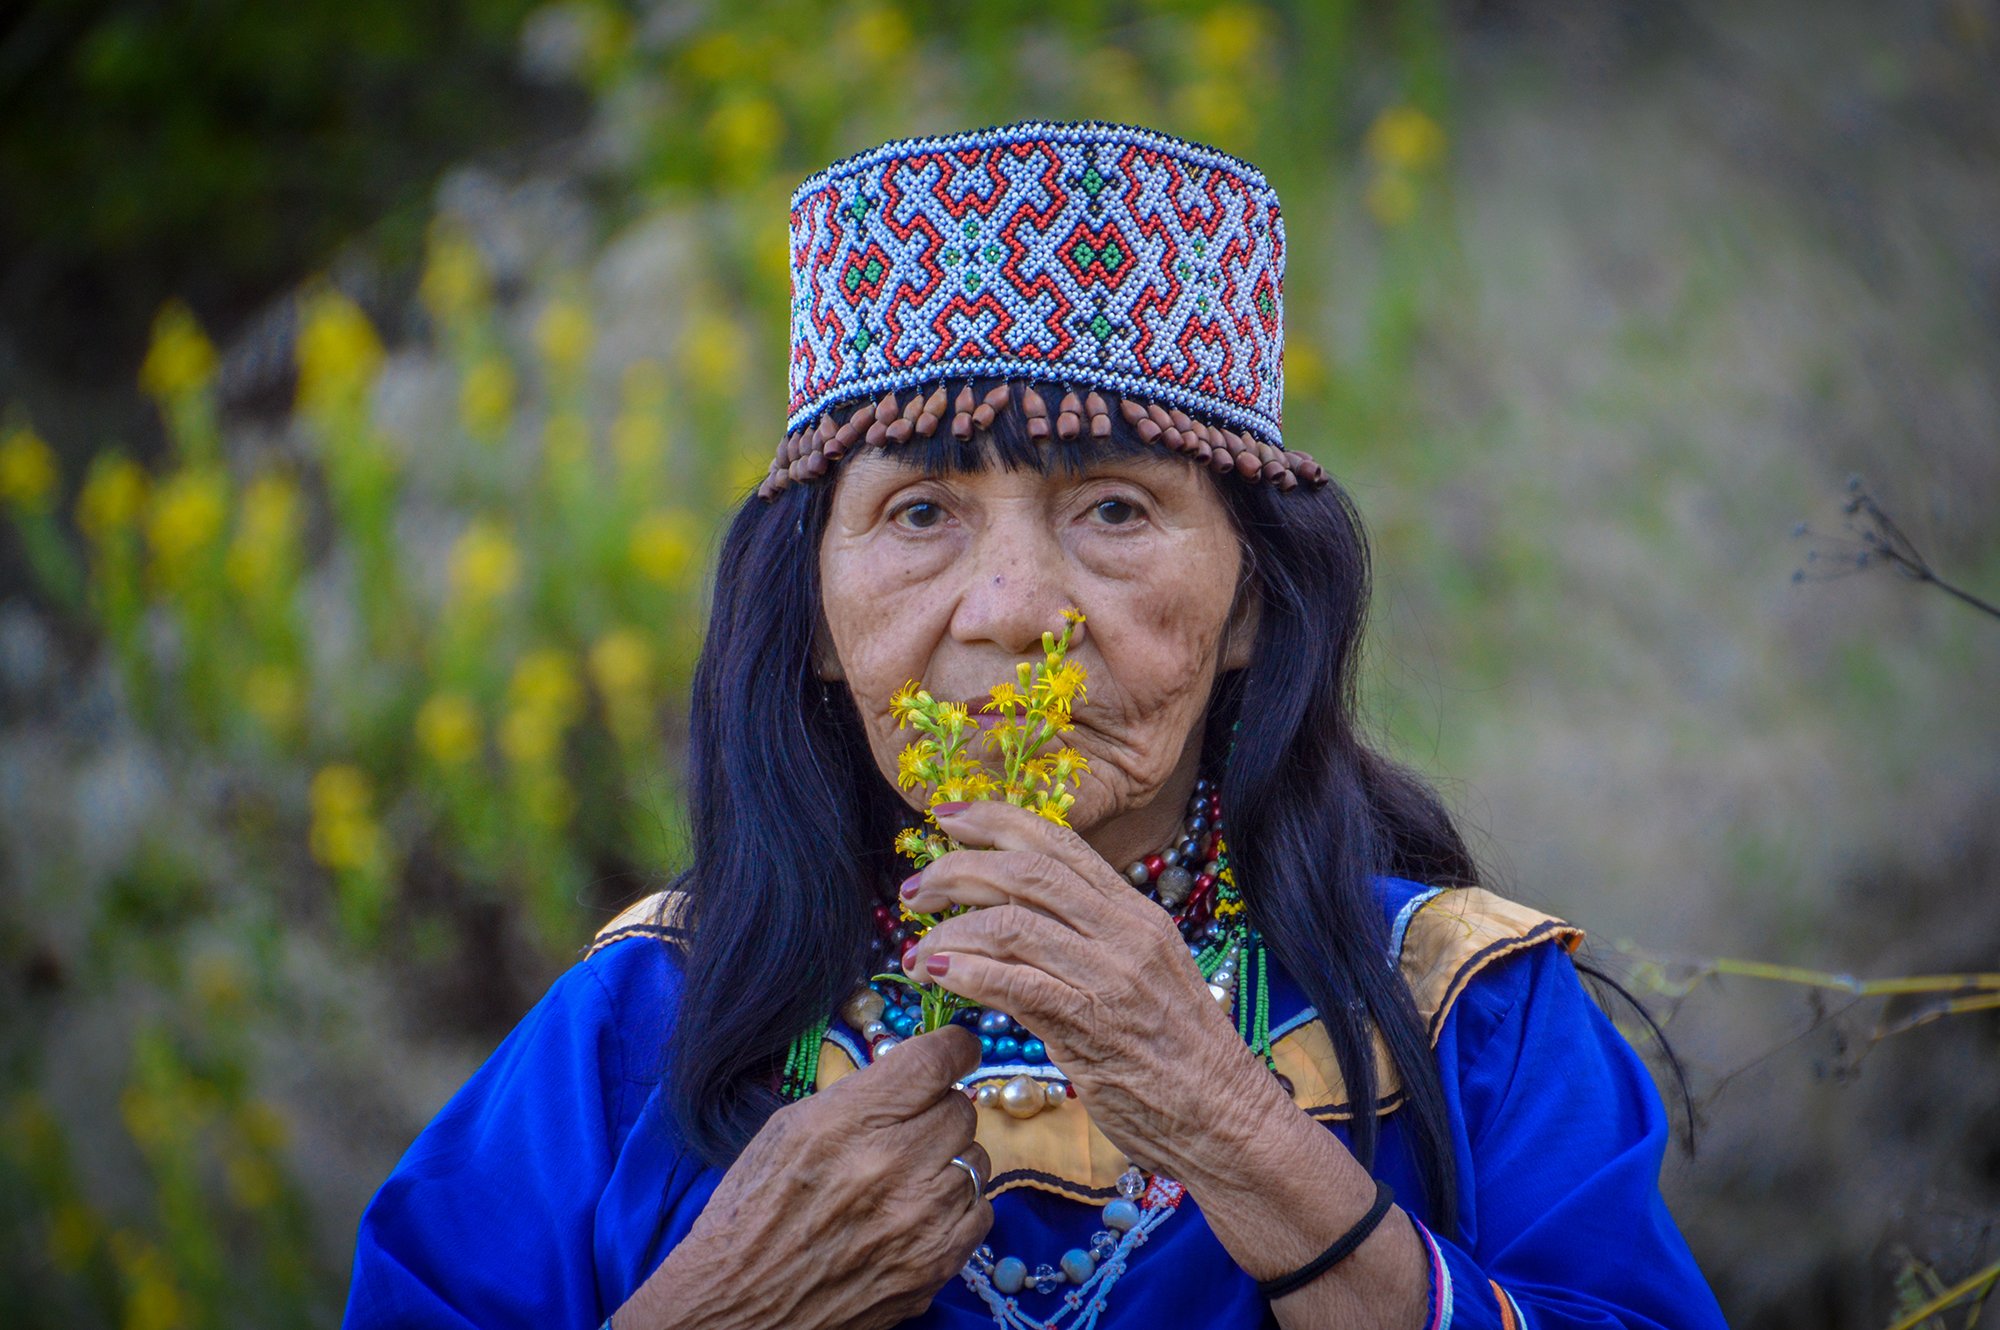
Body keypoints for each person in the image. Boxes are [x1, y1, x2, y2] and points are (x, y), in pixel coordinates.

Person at [343, 121, 1727, 1329]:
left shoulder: (1463, 1011)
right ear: (818, 622)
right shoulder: (635, 1029)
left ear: (1250, 601)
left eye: (1114, 508)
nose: (1009, 609)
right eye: (921, 511)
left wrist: (1227, 1120)